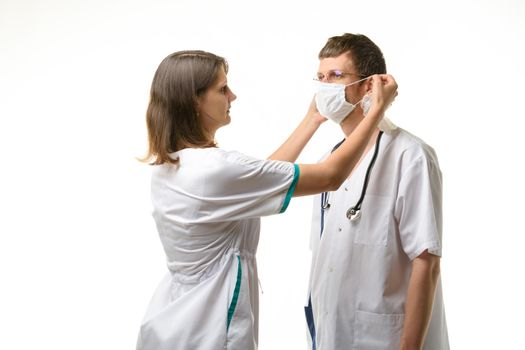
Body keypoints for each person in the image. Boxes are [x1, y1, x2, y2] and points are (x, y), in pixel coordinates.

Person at [135, 50, 397, 350]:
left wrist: (312, 120)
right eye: (222, 89)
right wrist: (376, 110)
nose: (232, 96)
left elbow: (260, 178)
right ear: (194, 100)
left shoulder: (172, 165)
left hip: (169, 321)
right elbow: (330, 177)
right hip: (207, 330)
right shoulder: (215, 169)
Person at [304, 33, 449, 350]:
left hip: (385, 338)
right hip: (330, 334)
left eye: (337, 76)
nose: (325, 87)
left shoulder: (410, 156)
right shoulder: (326, 163)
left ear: (369, 85)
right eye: (320, 78)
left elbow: (426, 262)